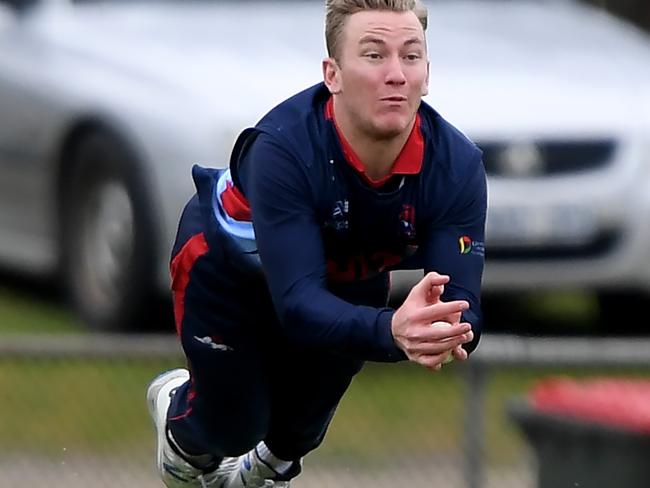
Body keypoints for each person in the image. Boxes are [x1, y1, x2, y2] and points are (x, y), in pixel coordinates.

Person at [146, 0, 487, 486]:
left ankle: (263, 471)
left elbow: (464, 305)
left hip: (347, 280)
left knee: (295, 436)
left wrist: (442, 327)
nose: (396, 74)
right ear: (333, 74)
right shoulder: (283, 150)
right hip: (228, 275)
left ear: (427, 73)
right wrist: (394, 329)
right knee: (233, 426)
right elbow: (299, 305)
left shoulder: (457, 165)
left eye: (411, 57)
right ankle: (176, 408)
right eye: (373, 55)